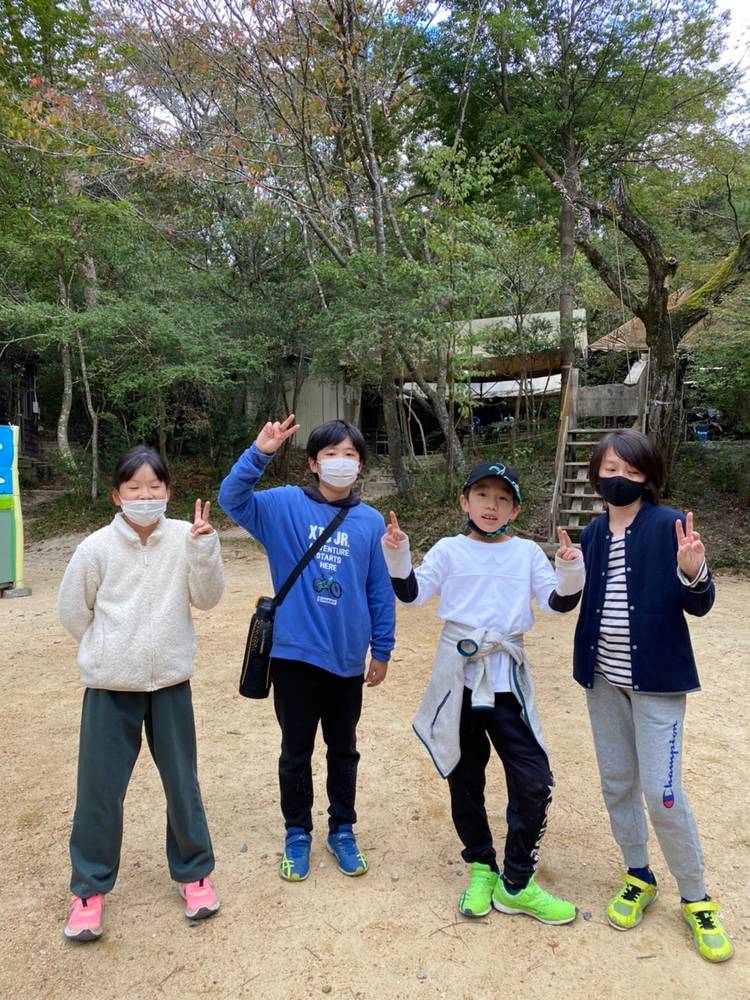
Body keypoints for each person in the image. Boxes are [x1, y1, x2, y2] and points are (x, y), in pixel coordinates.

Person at [382, 461, 584, 924]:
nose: (491, 506)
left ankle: (516, 882)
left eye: (502, 498)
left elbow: (556, 604)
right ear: (464, 502)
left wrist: (570, 569)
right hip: (460, 679)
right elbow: (412, 594)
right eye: (482, 495)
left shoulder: (527, 553)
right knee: (464, 776)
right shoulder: (449, 550)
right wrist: (398, 553)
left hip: (507, 679)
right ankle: (481, 865)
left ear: (515, 510)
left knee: (534, 780)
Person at [574, 429, 733, 963]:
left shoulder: (668, 526)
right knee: (618, 782)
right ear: (596, 475)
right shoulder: (593, 533)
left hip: (658, 683)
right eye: (610, 469)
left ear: (648, 477)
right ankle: (638, 874)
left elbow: (700, 604)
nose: (619, 478)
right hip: (603, 680)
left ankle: (696, 896)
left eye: (631, 470)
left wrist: (693, 571)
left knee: (663, 793)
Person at [58, 446, 224, 942]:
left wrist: (204, 550)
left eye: (154, 487)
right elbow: (73, 611)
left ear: (168, 491)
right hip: (110, 687)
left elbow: (208, 599)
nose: (145, 496)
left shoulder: (186, 537)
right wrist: (109, 651)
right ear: (117, 495)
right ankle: (89, 889)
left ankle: (194, 873)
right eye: (134, 488)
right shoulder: (95, 548)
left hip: (170, 682)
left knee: (182, 783)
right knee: (99, 790)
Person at [218, 415, 395, 882]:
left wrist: (382, 649)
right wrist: (260, 452)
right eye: (331, 454)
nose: (341, 462)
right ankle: (297, 833)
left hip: (346, 659)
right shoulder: (283, 506)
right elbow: (231, 499)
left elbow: (379, 590)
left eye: (350, 454)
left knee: (344, 750)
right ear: (314, 464)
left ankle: (342, 830)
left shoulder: (370, 521)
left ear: (361, 465)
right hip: (294, 656)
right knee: (295, 751)